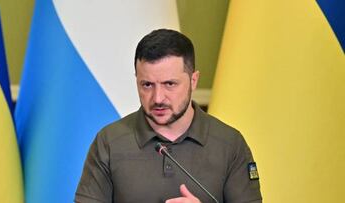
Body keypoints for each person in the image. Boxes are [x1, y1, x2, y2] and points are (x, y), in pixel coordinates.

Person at [75, 29, 262, 203]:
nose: (157, 98)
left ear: (193, 80)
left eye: (170, 84)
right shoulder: (109, 142)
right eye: (147, 85)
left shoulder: (230, 144)